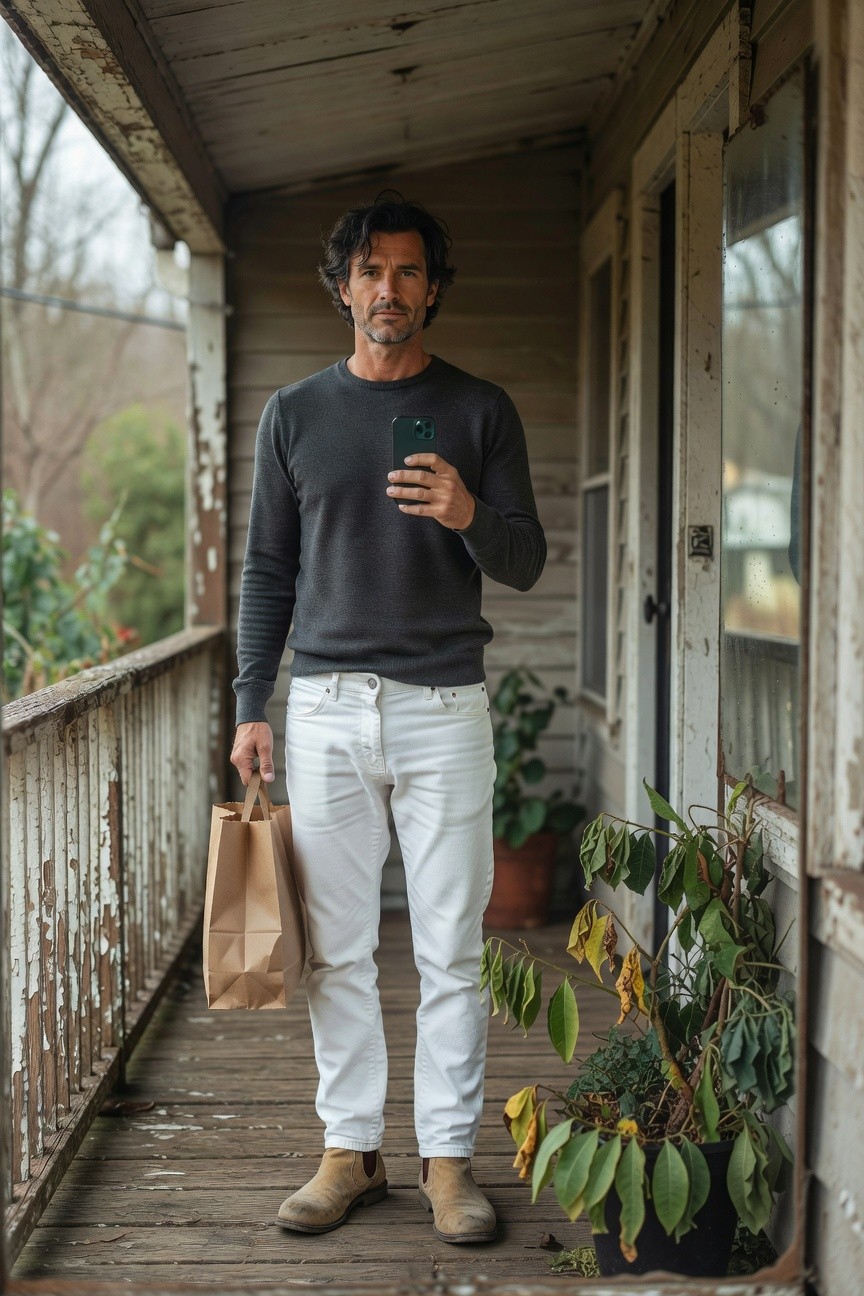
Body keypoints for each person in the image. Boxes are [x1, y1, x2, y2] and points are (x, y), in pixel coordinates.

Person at [230, 194, 546, 1244]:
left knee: (453, 947)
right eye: (370, 273)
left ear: (434, 289)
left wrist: (468, 514)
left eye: (409, 273)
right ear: (342, 288)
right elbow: (268, 570)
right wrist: (251, 704)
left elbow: (528, 560)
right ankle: (350, 1150)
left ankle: (448, 1161)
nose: (389, 292)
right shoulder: (295, 413)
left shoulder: (480, 409)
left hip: (444, 707)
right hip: (322, 707)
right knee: (338, 950)